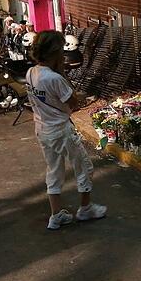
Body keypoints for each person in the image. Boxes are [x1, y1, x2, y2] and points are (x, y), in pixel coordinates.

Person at [25, 30, 106, 230]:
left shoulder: (31, 72)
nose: (63, 54)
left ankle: (56, 215)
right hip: (61, 130)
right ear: (53, 52)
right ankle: (85, 208)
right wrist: (61, 72)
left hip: (43, 129)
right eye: (61, 50)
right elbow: (73, 103)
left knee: (54, 170)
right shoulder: (54, 78)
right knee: (84, 167)